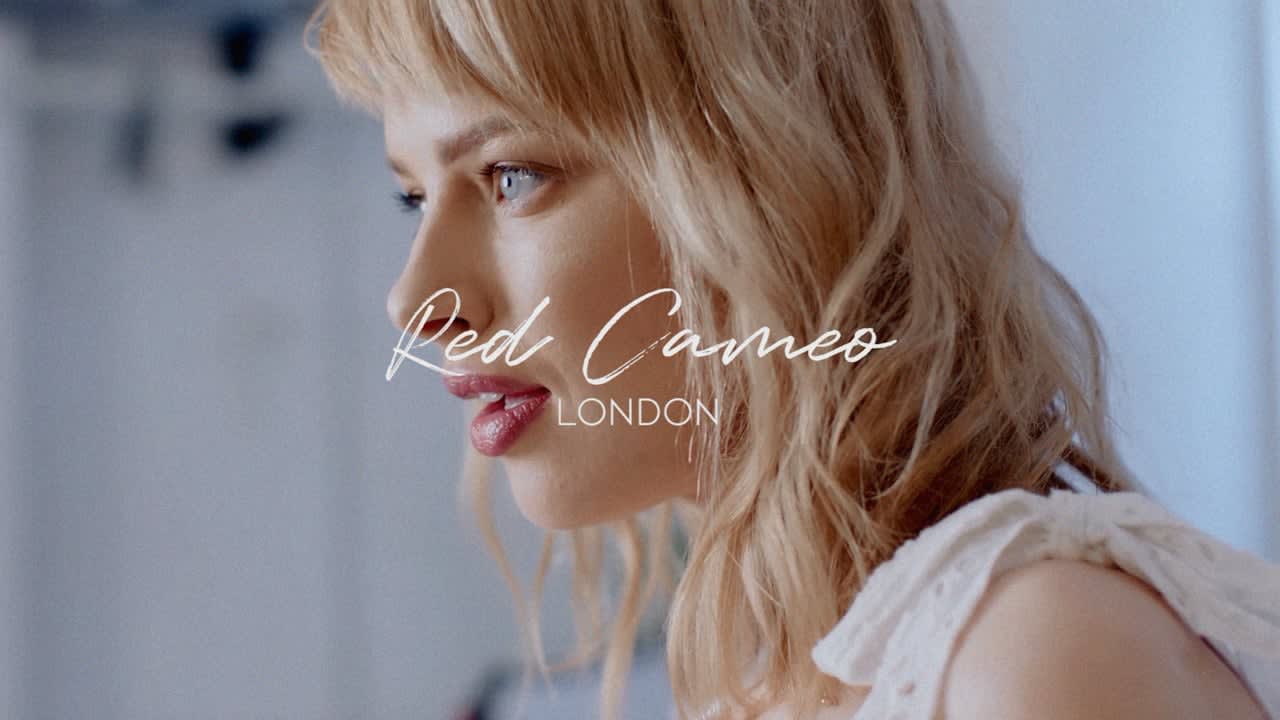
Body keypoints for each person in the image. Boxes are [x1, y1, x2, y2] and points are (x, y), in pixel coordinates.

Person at [304, 1, 1280, 718]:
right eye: (412, 197)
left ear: (766, 177)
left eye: (510, 176)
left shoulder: (1028, 657)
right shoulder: (770, 686)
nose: (415, 299)